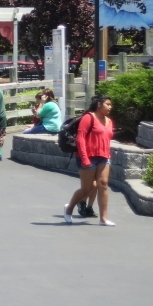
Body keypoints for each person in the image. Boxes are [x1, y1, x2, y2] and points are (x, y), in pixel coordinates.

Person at [63, 95, 116, 226]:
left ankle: (103, 218)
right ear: (99, 104)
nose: (110, 107)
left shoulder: (109, 121)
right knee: (87, 189)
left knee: (103, 185)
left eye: (111, 105)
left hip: (104, 157)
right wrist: (85, 158)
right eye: (108, 104)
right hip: (87, 157)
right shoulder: (88, 118)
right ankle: (69, 208)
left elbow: (106, 139)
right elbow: (80, 138)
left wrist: (108, 155)